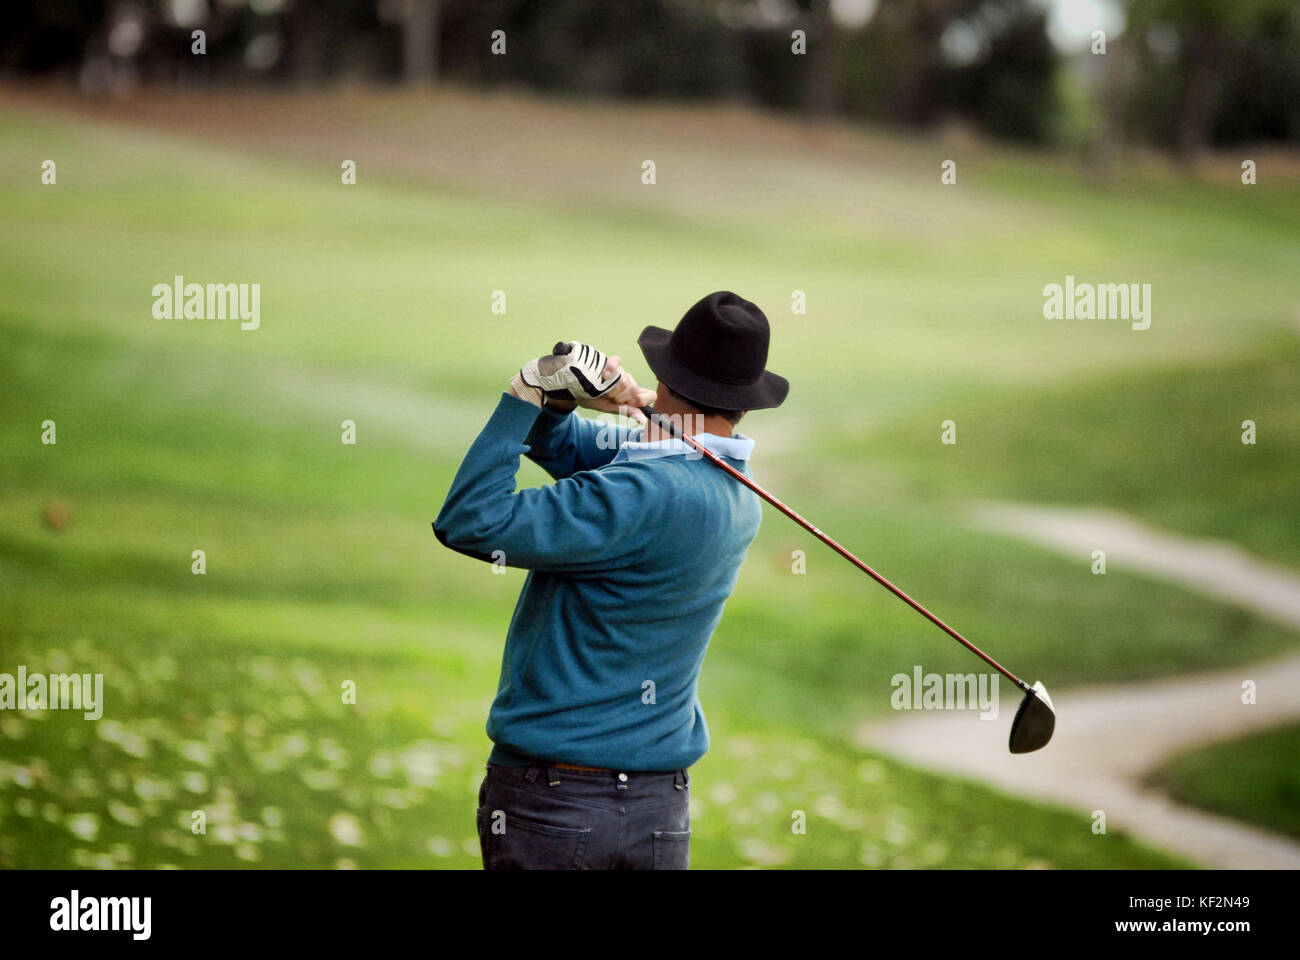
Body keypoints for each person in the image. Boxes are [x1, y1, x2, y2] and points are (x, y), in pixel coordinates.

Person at [434, 290, 788, 869]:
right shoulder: (731, 488)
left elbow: (472, 522)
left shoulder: (639, 492)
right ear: (746, 400)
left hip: (559, 805)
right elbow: (572, 448)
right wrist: (567, 402)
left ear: (665, 373)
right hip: (658, 812)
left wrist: (521, 396)